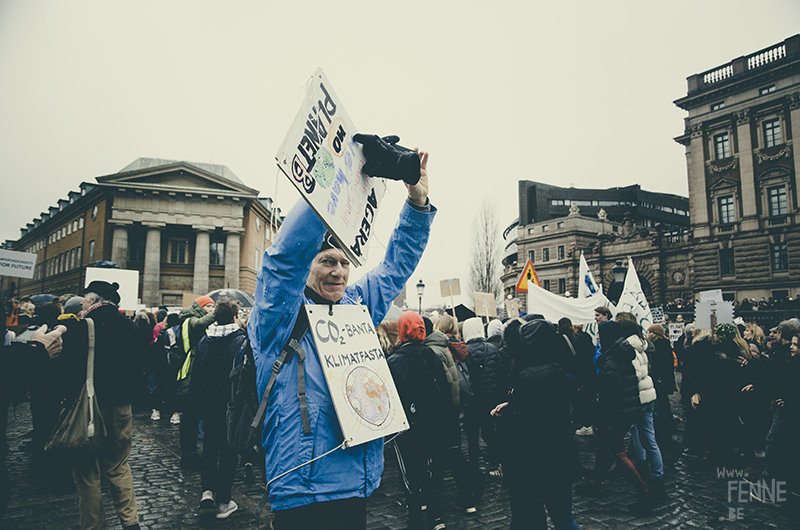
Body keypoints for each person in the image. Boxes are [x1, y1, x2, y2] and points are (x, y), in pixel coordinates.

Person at [248, 149, 434, 529]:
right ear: (307, 265)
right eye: (326, 261)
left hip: (354, 480)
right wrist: (338, 185)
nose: (338, 272)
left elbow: (395, 267)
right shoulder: (278, 316)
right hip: (302, 483)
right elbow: (283, 261)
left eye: (344, 262)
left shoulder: (356, 306)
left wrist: (417, 201)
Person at [57, 281, 142, 530]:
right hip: (120, 406)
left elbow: (67, 369)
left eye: (84, 301)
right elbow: (139, 365)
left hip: (88, 408)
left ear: (93, 301)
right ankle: (131, 522)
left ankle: (93, 525)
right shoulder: (130, 326)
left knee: (87, 471)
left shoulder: (81, 327)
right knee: (118, 465)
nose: (81, 305)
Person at [491, 317, 580, 530]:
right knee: (563, 518)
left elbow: (525, 425)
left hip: (534, 463)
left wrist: (508, 416)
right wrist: (511, 404)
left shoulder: (528, 375)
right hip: (558, 456)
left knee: (527, 519)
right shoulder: (554, 368)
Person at [388, 311, 452, 530]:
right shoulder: (432, 356)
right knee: (428, 469)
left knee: (409, 475)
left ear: (402, 330)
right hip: (433, 424)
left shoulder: (394, 361)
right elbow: (445, 391)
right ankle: (436, 516)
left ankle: (415, 520)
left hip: (407, 428)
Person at [578, 321, 651, 510]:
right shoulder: (622, 354)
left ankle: (644, 490)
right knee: (603, 447)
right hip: (626, 409)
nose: (598, 338)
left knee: (620, 454)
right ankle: (595, 483)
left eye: (600, 334)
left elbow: (611, 389)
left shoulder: (611, 360)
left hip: (614, 413)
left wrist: (598, 399)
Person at [192, 298, 245, 520]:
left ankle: (207, 492)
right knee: (229, 451)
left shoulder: (205, 340)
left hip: (208, 402)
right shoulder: (241, 341)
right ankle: (224, 500)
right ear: (234, 318)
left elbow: (196, 374)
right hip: (232, 405)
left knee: (210, 446)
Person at [423, 316, 476, 513]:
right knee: (450, 452)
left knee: (447, 452)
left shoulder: (431, 351)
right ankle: (465, 496)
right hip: (453, 407)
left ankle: (441, 500)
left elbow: (441, 382)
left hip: (442, 411)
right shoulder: (443, 345)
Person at [177, 295, 217, 469]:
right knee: (190, 417)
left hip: (196, 373)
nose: (211, 310)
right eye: (208, 307)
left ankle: (191, 453)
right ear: (199, 308)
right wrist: (219, 313)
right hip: (189, 374)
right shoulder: (190, 320)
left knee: (193, 416)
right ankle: (189, 454)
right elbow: (198, 326)